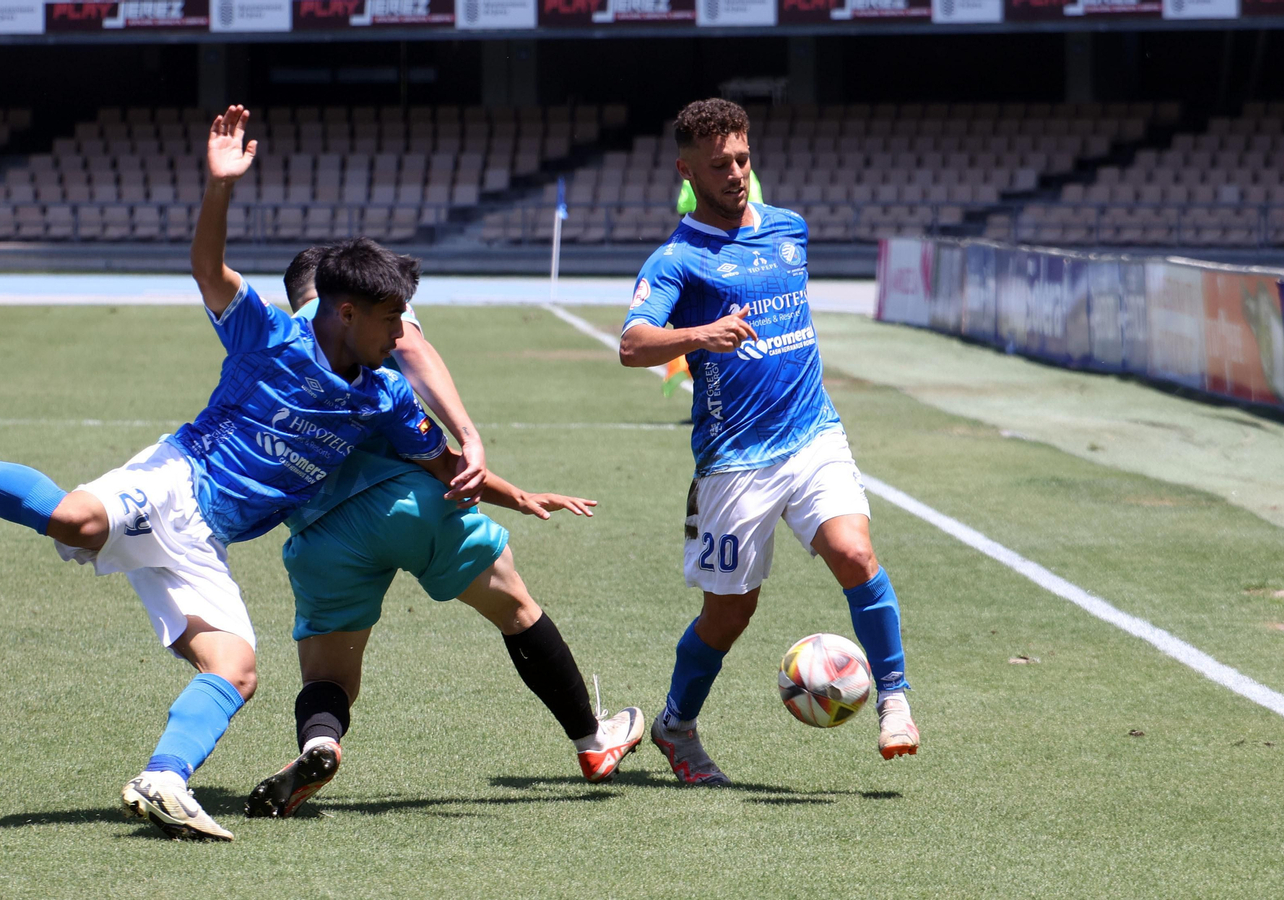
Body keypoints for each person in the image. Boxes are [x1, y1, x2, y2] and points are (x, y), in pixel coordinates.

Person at [0, 106, 486, 841]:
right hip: (178, 478)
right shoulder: (269, 336)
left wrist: (503, 483)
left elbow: (444, 464)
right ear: (345, 311)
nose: (403, 334)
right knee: (75, 519)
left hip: (205, 544)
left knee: (237, 670)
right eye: (392, 319)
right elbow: (209, 270)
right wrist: (220, 188)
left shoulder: (385, 396)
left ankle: (163, 779)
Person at [242, 248, 644, 819]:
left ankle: (320, 745)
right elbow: (434, 432)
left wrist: (515, 492)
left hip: (319, 534)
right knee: (517, 610)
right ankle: (593, 741)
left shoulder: (276, 349)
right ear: (344, 302)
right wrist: (498, 473)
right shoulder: (376, 334)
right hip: (412, 504)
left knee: (329, 676)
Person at [619, 98, 919, 786]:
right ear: (687, 170)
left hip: (813, 434)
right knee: (731, 613)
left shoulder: (790, 230)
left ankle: (895, 699)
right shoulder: (676, 261)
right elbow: (633, 344)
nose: (734, 173)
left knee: (854, 550)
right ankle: (676, 726)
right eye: (718, 164)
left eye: (743, 160)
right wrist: (701, 335)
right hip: (735, 461)